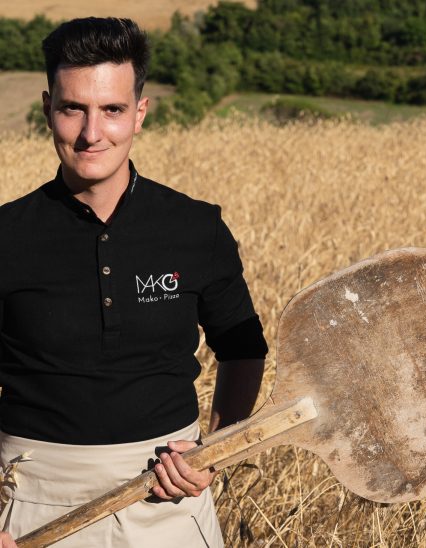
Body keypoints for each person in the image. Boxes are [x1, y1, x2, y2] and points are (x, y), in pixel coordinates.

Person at [0, 17, 267, 547]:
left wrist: (214, 453)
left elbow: (243, 350)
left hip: (170, 505)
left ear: (140, 113)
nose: (91, 133)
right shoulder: (6, 234)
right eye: (73, 108)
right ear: (48, 108)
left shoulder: (197, 228)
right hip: (29, 505)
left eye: (112, 110)